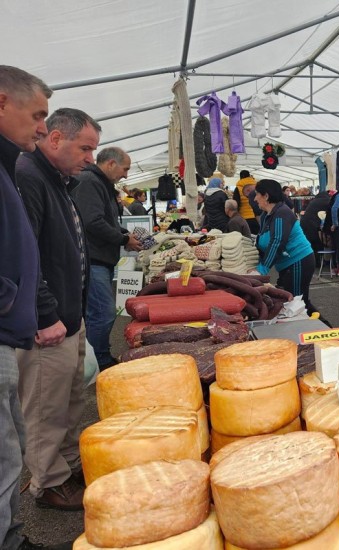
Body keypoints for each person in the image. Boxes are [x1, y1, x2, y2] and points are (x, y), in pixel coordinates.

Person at [0, 66, 75, 550]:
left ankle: (9, 533)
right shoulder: (23, 170)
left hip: (12, 332)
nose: (43, 128)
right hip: (8, 328)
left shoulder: (11, 165)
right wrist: (17, 303)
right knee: (5, 454)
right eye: (38, 115)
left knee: (12, 448)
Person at [15, 107, 101, 515]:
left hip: (69, 316)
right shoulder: (27, 176)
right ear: (55, 139)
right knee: (45, 408)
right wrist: (45, 314)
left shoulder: (57, 180)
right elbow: (23, 254)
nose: (90, 158)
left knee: (69, 401)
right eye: (85, 148)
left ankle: (64, 467)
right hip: (48, 322)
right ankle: (48, 482)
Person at [71, 146, 142, 369]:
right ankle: (97, 361)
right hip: (94, 260)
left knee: (97, 313)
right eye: (125, 168)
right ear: (111, 163)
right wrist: (123, 240)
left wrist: (123, 233)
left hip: (100, 259)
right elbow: (92, 222)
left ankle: (94, 359)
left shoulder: (100, 183)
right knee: (103, 313)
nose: (126, 175)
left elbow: (104, 220)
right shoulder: (90, 182)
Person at [254, 179, 318, 314]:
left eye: (257, 194)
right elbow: (264, 240)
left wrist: (262, 269)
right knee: (295, 301)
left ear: (266, 196)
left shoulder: (281, 213)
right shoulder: (268, 215)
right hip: (288, 264)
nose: (255, 199)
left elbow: (277, 241)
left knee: (297, 303)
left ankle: (324, 329)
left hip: (298, 261)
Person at [299, 190, 332, 262]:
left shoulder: (314, 200)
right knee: (315, 242)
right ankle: (317, 262)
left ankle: (315, 261)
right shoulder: (326, 200)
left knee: (310, 242)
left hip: (304, 222)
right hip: (311, 224)